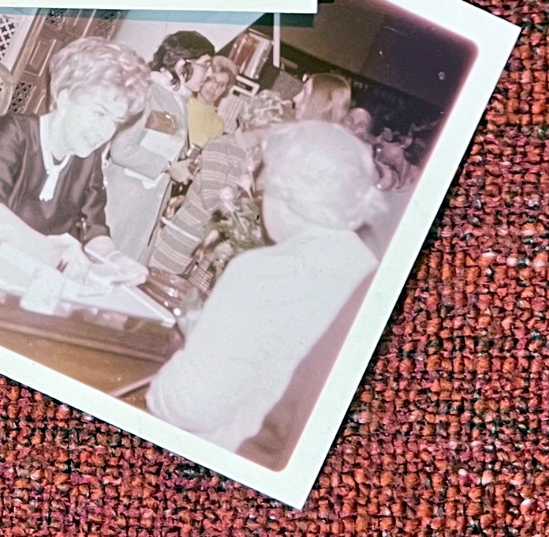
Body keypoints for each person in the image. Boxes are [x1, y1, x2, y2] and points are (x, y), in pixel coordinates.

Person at [147, 120, 384, 467]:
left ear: (282, 190)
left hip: (232, 456)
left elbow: (187, 405)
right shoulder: (368, 268)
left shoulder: (263, 269)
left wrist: (190, 351)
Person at [0, 36, 150, 278]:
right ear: (65, 98)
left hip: (21, 273)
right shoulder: (12, 133)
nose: (106, 132)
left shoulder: (88, 161)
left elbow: (94, 230)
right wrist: (52, 252)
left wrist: (115, 260)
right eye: (99, 113)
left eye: (115, 121)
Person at [148, 88, 292, 276]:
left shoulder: (255, 157)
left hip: (205, 252)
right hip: (182, 242)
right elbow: (215, 203)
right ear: (262, 123)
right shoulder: (221, 147)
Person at [105, 32, 216, 260]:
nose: (209, 74)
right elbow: (121, 149)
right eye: (206, 65)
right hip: (121, 207)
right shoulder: (149, 91)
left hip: (143, 212)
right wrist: (167, 166)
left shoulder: (177, 100)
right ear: (183, 64)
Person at [185, 55, 239, 147]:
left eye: (221, 85)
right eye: (212, 80)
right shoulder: (183, 102)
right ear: (203, 78)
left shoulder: (218, 123)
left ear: (225, 90)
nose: (214, 87)